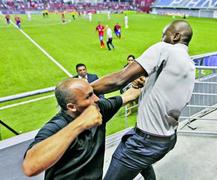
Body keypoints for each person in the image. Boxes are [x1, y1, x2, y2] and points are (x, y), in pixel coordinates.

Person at [91, 20, 195, 180]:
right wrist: (147, 83)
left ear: (175, 36)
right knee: (143, 163)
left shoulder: (165, 48)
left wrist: (83, 90)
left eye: (164, 35)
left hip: (145, 142)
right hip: (167, 137)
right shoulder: (189, 63)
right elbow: (169, 91)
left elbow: (118, 79)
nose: (161, 39)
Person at [22, 78, 141, 179]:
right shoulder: (56, 126)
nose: (96, 99)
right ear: (71, 107)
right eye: (88, 96)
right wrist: (80, 124)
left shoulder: (99, 108)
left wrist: (138, 83)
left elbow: (128, 96)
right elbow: (30, 167)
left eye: (93, 92)